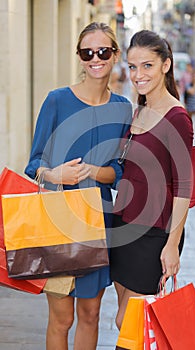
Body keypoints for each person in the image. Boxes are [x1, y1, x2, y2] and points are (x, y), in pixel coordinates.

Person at [24, 22, 132, 350]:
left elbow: (120, 172)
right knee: (61, 319)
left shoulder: (123, 108)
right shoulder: (57, 101)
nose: (95, 58)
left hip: (99, 222)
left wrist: (95, 171)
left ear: (115, 56)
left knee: (90, 313)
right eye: (88, 52)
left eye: (103, 51)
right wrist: (55, 175)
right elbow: (34, 165)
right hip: (58, 223)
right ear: (79, 57)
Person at [110, 30, 193, 331]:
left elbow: (185, 187)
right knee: (126, 321)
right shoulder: (140, 111)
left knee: (129, 322)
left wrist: (172, 245)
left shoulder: (178, 118)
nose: (138, 74)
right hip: (123, 224)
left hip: (154, 233)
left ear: (165, 65)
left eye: (147, 65)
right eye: (133, 66)